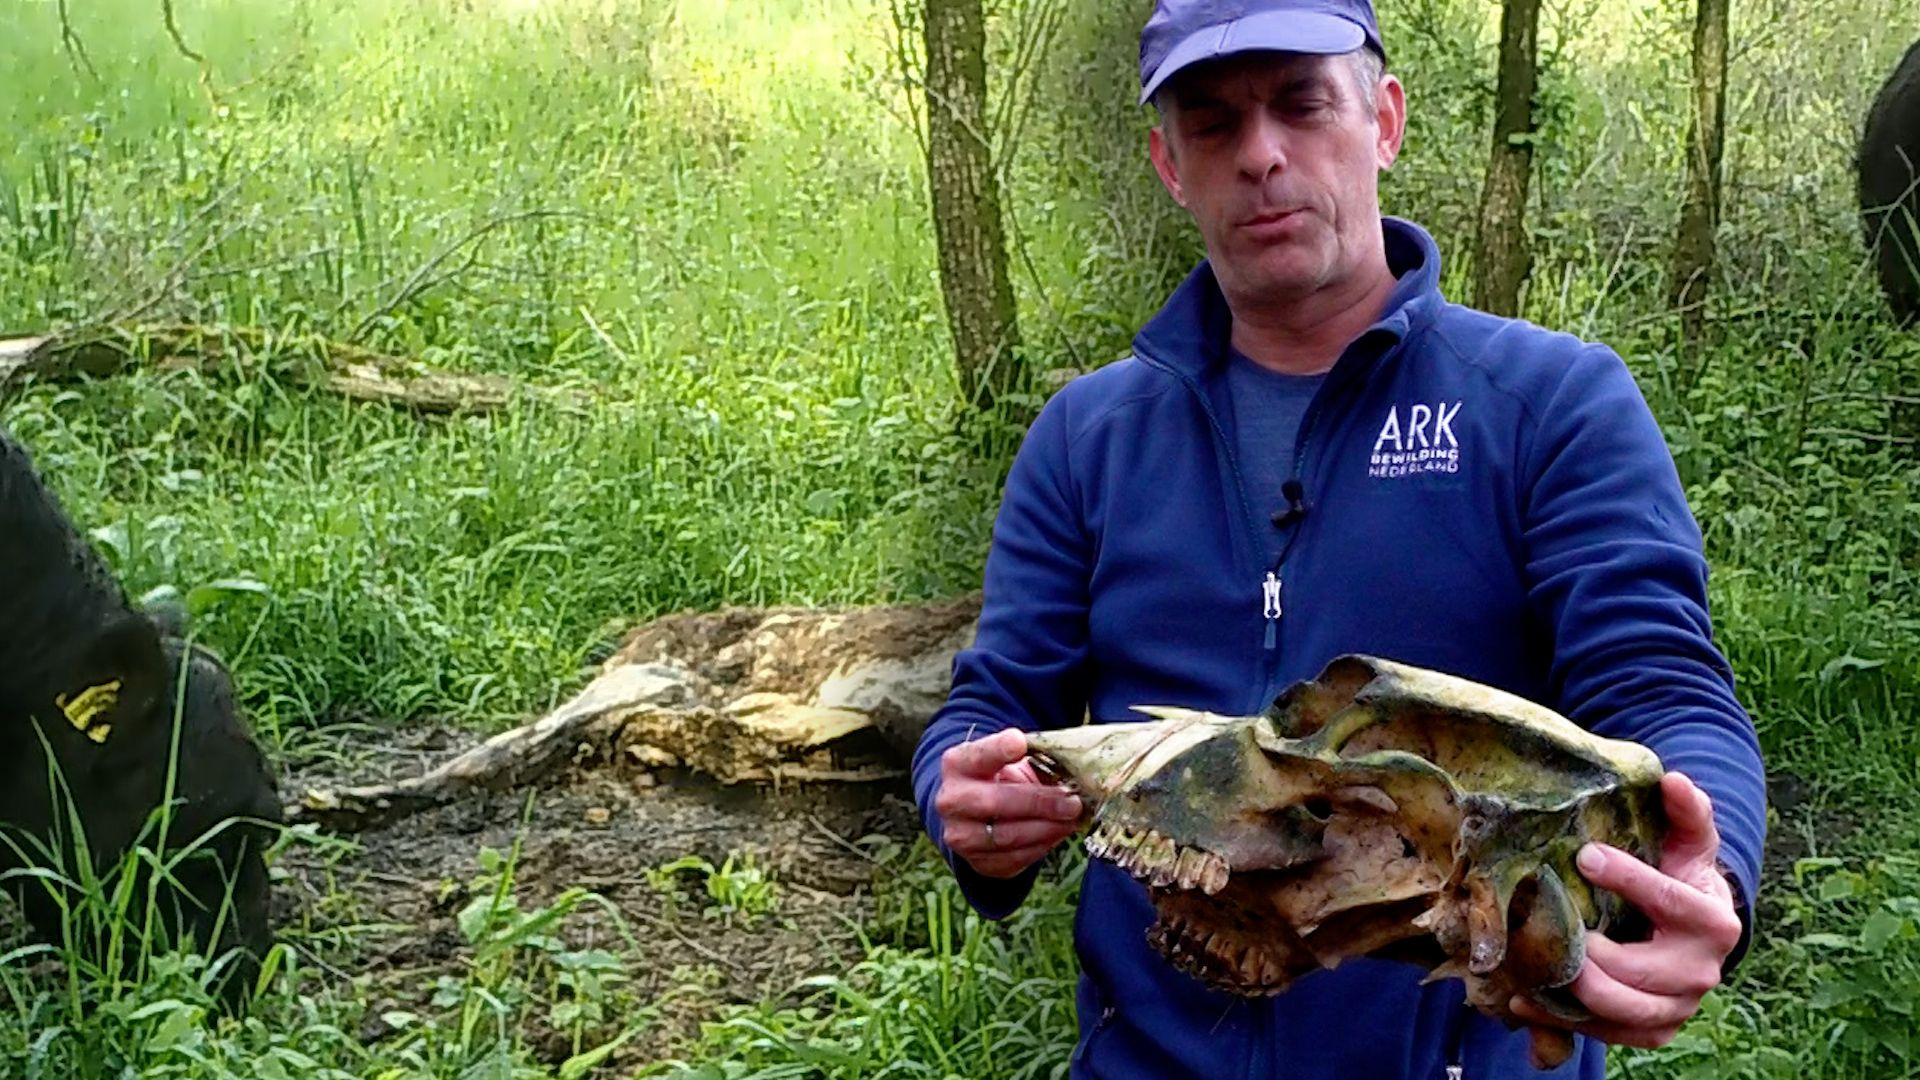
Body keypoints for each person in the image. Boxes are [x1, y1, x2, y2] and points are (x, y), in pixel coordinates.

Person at [909, 0, 1768, 1076]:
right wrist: (965, 799)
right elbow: (994, 708)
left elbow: (1663, 685)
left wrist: (1710, 869)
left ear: (1385, 122)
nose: (1261, 155)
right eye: (1213, 123)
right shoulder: (1087, 438)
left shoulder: (1548, 404)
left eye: (1302, 104)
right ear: (1169, 165)